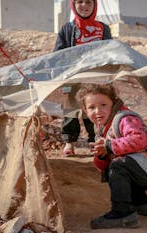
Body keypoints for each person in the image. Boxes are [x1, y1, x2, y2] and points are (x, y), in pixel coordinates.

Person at [75, 83, 147, 229]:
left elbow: (138, 140)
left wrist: (109, 146)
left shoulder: (124, 118)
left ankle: (122, 213)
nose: (98, 111)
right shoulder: (102, 128)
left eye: (103, 105)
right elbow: (104, 166)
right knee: (117, 165)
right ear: (84, 110)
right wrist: (102, 155)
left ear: (113, 103)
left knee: (118, 166)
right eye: (91, 107)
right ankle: (142, 204)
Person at [53, 0, 112, 156]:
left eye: (88, 2)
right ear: (73, 5)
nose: (84, 5)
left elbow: (109, 51)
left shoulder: (103, 29)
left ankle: (96, 141)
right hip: (73, 78)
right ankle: (69, 142)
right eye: (80, 1)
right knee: (71, 110)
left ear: (95, 5)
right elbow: (58, 54)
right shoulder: (67, 29)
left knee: (94, 109)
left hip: (94, 79)